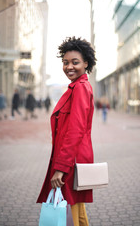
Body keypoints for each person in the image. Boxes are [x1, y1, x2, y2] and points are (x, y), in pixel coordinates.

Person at [37, 36, 97, 226]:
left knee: (70, 213)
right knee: (76, 212)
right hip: (73, 159)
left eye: (75, 62)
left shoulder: (80, 88)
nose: (69, 66)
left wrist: (60, 169)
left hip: (71, 162)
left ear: (86, 63)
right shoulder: (77, 87)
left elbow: (75, 131)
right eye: (65, 62)